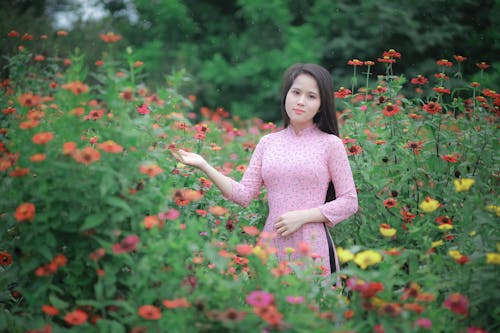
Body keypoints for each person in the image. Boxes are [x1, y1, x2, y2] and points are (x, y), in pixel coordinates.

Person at [173, 63, 358, 280]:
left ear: (321, 105)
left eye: (311, 96)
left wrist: (304, 216)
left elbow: (349, 201)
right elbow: (243, 195)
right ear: (286, 95)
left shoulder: (330, 144)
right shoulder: (268, 143)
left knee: (310, 312)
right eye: (296, 92)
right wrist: (204, 165)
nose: (300, 101)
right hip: (272, 247)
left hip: (313, 249)